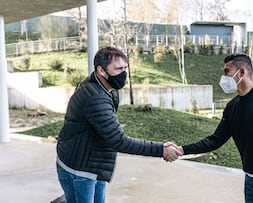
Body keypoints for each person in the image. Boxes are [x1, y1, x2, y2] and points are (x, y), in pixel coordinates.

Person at [55, 46, 181, 203]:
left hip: (94, 164)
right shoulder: (95, 97)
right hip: (78, 169)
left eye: (125, 68)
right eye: (118, 69)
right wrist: (161, 149)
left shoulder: (108, 89)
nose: (124, 74)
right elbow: (119, 141)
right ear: (101, 71)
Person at [176, 53, 253, 203]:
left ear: (241, 72)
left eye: (227, 71)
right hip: (250, 182)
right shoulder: (232, 107)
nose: (224, 77)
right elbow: (215, 140)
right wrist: (182, 150)